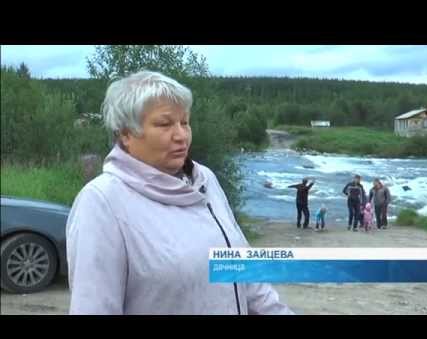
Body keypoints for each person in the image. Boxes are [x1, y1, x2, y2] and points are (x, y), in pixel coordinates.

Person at [66, 71, 294, 315]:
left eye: (184, 122)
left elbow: (247, 275)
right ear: (126, 134)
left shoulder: (205, 180)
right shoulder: (102, 202)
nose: (181, 135)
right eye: (165, 124)